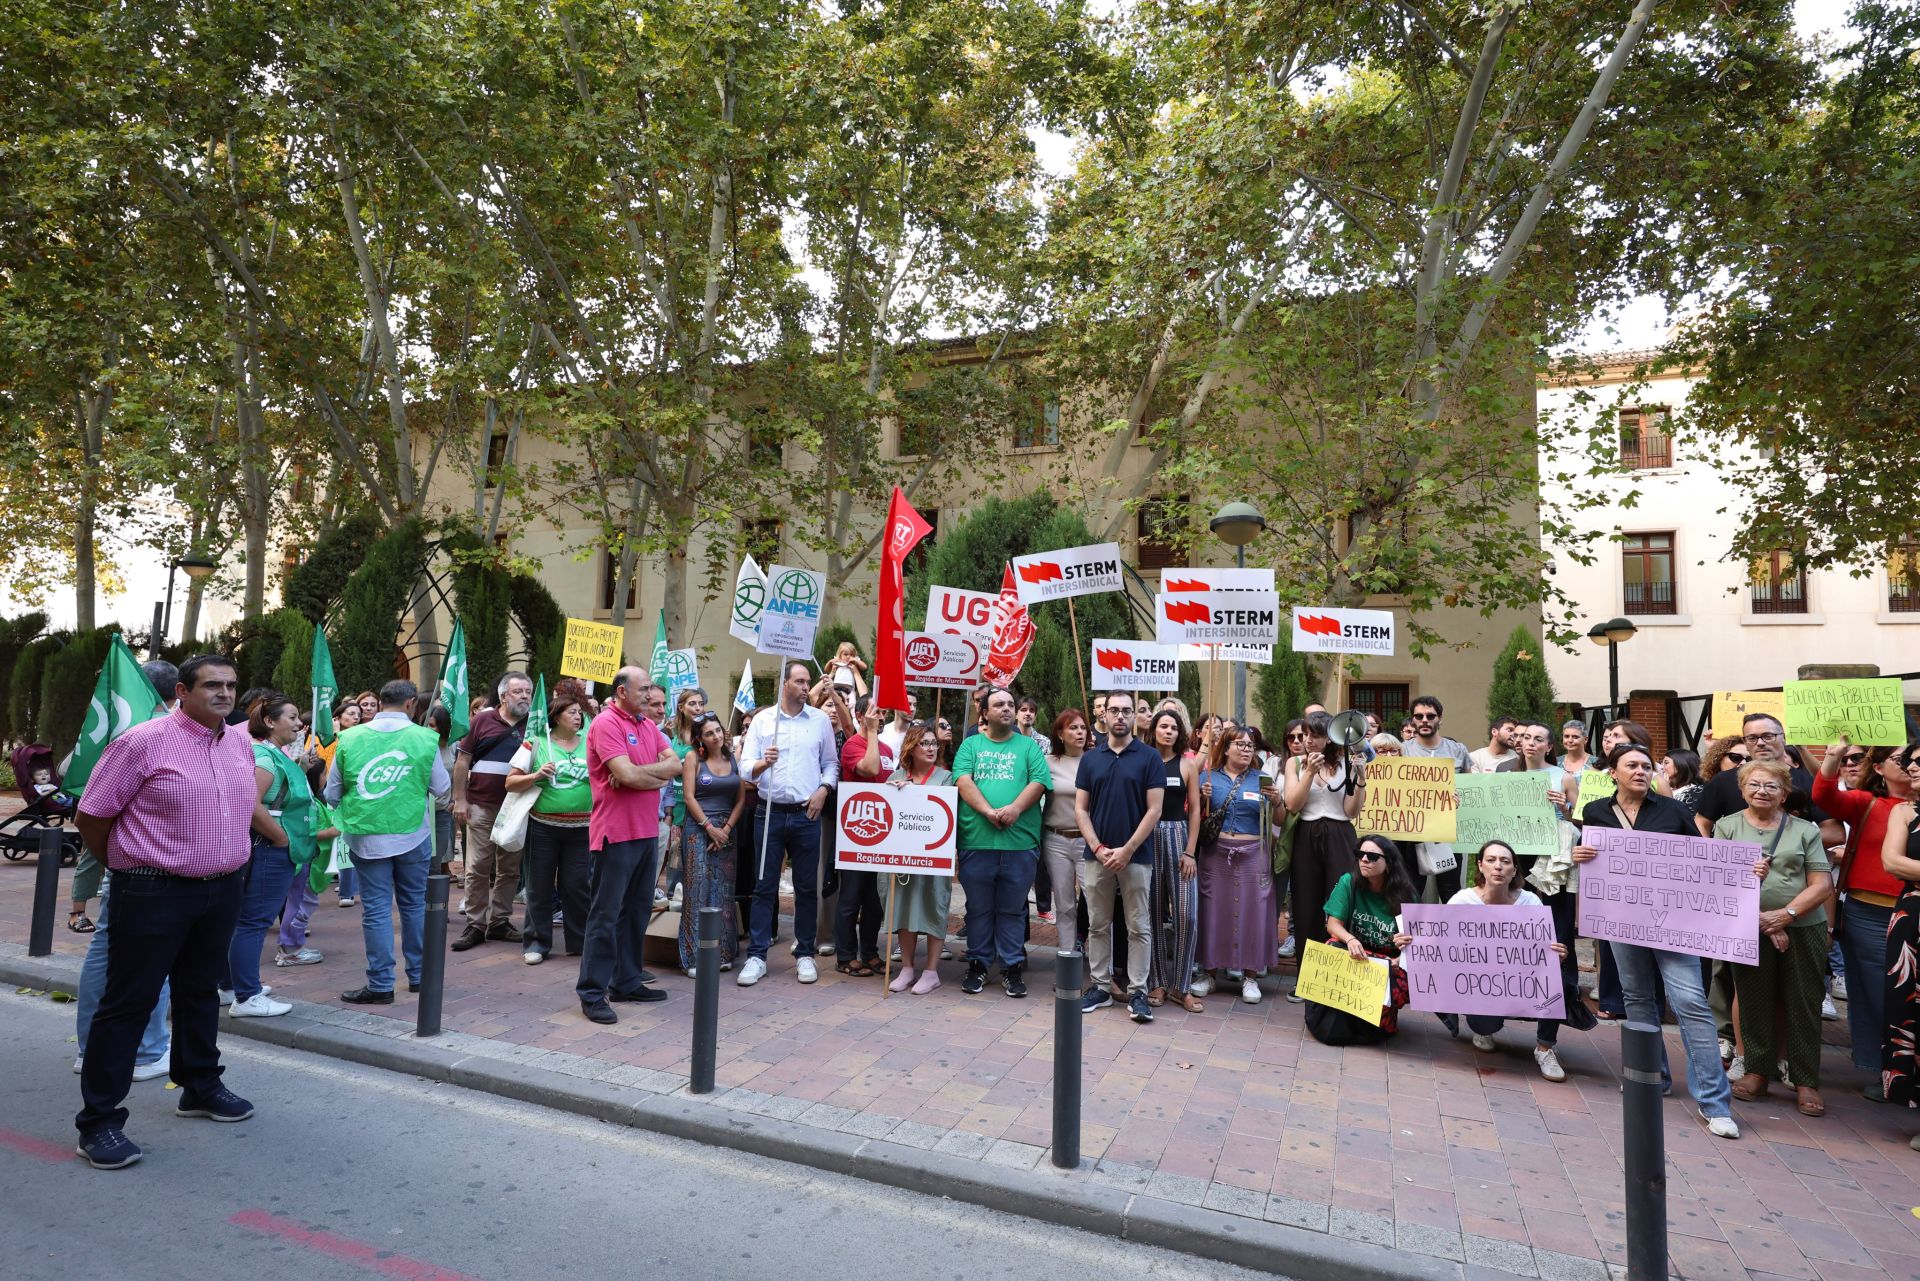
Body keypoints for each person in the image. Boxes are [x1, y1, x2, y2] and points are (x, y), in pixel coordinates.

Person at [71, 654, 258, 1169]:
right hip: (153, 889)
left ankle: (199, 1085)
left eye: (230, 685)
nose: (224, 693)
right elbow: (92, 815)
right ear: (182, 690)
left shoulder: (240, 742)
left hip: (221, 890)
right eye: (212, 685)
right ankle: (100, 1123)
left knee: (199, 993)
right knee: (129, 1002)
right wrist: (128, 868)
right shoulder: (142, 743)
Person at [1574, 742, 1747, 1139]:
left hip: (1672, 922)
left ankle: (1714, 1102)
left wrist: (1743, 868)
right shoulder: (1596, 811)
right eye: (1631, 765)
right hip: (1622, 921)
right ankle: (1653, 1076)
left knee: (1690, 1002)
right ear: (1612, 773)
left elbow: (1702, 858)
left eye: (1646, 766)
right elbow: (1596, 859)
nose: (1640, 771)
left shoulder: (1672, 810)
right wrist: (1582, 853)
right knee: (1638, 999)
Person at [1715, 757, 1832, 1115]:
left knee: (1803, 1003)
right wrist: (1762, 921)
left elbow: (1822, 883)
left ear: (1784, 793)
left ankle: (1805, 1080)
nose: (1761, 791)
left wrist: (1783, 917)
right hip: (1747, 927)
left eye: (1770, 786)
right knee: (1752, 1000)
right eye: (1753, 784)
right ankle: (1756, 1072)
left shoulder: (1804, 830)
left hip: (1801, 927)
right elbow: (1719, 882)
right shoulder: (1727, 827)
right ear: (1742, 790)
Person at [327, 680, 449, 1006]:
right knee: (413, 906)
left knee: (377, 910)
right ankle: (420, 976)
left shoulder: (349, 738)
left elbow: (331, 793)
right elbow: (442, 789)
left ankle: (381, 984)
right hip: (413, 835)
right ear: (411, 704)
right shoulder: (424, 739)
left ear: (380, 703)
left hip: (366, 836)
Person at [577, 671, 683, 1023]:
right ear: (622, 691)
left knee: (637, 912)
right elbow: (628, 775)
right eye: (643, 689)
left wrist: (639, 772)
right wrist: (646, 774)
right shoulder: (607, 724)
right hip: (614, 835)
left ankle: (626, 981)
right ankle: (592, 992)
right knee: (605, 916)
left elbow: (676, 765)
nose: (649, 694)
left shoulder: (646, 725)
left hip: (645, 833)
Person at [1814, 736, 1913, 1094]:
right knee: (1873, 991)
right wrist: (1832, 758)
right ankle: (1882, 1070)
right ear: (1880, 767)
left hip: (1912, 911)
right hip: (1868, 912)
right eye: (1901, 759)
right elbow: (1824, 798)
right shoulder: (1866, 802)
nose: (1909, 765)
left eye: (1913, 759)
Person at [739, 660, 841, 987]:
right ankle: (756, 955)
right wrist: (760, 763)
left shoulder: (820, 721)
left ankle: (806, 953)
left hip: (805, 813)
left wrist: (824, 790)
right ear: (784, 683)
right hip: (768, 811)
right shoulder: (764, 721)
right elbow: (743, 768)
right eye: (799, 681)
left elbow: (830, 764)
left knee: (806, 887)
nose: (804, 686)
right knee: (764, 884)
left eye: (807, 681)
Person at [953, 689, 1051, 997]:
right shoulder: (971, 745)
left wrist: (1015, 809)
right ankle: (979, 965)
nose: (1007, 708)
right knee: (979, 909)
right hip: (977, 841)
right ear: (984, 712)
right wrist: (987, 811)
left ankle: (1011, 967)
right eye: (999, 704)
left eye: (1011, 704)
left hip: (1020, 844)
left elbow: (1039, 781)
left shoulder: (1029, 747)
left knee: (1012, 910)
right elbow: (963, 780)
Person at [1074, 691, 1164, 1023]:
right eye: (1115, 710)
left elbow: (1154, 810)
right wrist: (1098, 847)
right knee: (1098, 925)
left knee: (1138, 925)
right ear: (1105, 716)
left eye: (1127, 710)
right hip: (1096, 855)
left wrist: (1126, 850)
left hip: (1136, 856)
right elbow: (1080, 809)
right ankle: (1099, 986)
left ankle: (1138, 991)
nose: (1121, 716)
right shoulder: (1090, 758)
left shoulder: (1149, 757)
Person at [1447, 840, 1570, 1081]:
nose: (1498, 867)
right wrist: (1411, 941)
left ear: (1514, 870)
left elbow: (1543, 950)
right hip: (1481, 984)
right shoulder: (1463, 900)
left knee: (1558, 980)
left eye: (1505, 862)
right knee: (1484, 1026)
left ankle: (1544, 1049)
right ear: (1480, 865)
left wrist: (1558, 955)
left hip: (1520, 982)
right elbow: (1438, 940)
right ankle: (1484, 1029)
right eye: (1491, 860)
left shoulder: (1530, 902)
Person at [226, 695, 314, 1018]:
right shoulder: (264, 757)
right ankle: (246, 996)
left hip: (270, 848)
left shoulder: (274, 754)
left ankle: (230, 985)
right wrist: (280, 839)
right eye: (291, 717)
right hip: (270, 850)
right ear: (270, 721)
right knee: (254, 921)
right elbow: (252, 804)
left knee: (245, 919)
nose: (298, 723)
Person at [1194, 726, 1283, 1005]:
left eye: (1250, 746)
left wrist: (1277, 800)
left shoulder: (1262, 779)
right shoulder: (1208, 777)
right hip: (1215, 853)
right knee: (1213, 910)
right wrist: (1200, 795)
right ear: (1226, 747)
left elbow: (1279, 819)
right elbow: (1194, 814)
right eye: (1240, 744)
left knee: (1254, 912)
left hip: (1254, 853)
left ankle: (1250, 976)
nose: (1246, 750)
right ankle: (1208, 974)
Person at [506, 690, 593, 965]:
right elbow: (510, 782)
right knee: (538, 886)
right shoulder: (535, 742)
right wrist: (536, 774)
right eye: (572, 712)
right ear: (555, 717)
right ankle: (536, 943)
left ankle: (579, 942)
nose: (578, 717)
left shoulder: (591, 743)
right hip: (543, 827)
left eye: (580, 713)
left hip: (582, 827)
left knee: (578, 885)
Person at [451, 672, 533, 950]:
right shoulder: (482, 720)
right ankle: (475, 924)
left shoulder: (534, 724)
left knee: (509, 869)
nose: (524, 696)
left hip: (516, 808)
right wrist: (459, 800)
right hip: (481, 805)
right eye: (518, 691)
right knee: (477, 867)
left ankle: (500, 921)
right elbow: (463, 761)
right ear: (502, 696)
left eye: (527, 691)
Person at [1306, 834, 1415, 1045]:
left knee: (1402, 983)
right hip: (1355, 955)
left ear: (1389, 863)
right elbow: (1332, 925)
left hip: (1387, 963)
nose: (1364, 859)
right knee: (1332, 947)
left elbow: (1417, 942)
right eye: (1360, 854)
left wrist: (1401, 957)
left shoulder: (1406, 893)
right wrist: (1350, 939)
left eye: (1373, 856)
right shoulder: (1349, 882)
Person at [1281, 713, 1364, 958]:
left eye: (1314, 735)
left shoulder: (1345, 762)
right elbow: (1292, 804)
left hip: (1340, 834)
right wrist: (1309, 772)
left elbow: (1351, 810)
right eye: (1305, 734)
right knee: (1306, 905)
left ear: (1329, 739)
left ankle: (1338, 971)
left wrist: (1360, 779)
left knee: (1340, 902)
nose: (1307, 740)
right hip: (1307, 834)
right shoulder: (1295, 764)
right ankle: (1307, 977)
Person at [885, 723, 955, 994]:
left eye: (933, 744)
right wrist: (896, 790)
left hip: (934, 857)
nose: (931, 748)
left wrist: (912, 789)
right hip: (903, 859)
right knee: (904, 909)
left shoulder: (946, 777)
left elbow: (943, 809)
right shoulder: (895, 775)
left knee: (933, 908)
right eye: (924, 743)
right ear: (910, 748)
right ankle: (907, 968)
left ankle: (931, 972)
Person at [678, 712, 745, 975]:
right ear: (700, 739)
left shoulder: (732, 758)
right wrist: (709, 828)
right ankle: (693, 958)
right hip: (698, 828)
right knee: (697, 891)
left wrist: (725, 829)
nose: (716, 736)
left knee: (723, 891)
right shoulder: (694, 758)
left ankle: (724, 952)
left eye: (718, 730)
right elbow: (688, 797)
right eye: (709, 733)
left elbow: (740, 799)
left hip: (727, 829)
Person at [834, 698, 896, 976]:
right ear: (860, 716)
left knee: (875, 899)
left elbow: (884, 779)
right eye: (876, 712)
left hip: (880, 831)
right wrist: (870, 732)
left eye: (883, 712)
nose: (881, 717)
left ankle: (869, 952)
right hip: (855, 832)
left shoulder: (884, 748)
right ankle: (846, 956)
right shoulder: (853, 745)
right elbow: (869, 770)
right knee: (851, 897)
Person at [1878, 745, 1920, 1149]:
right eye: (1911, 762)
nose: (1912, 767)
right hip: (1914, 919)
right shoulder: (1904, 811)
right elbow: (1893, 862)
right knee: (1911, 1008)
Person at [1145, 709, 1201, 1009]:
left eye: (1174, 728)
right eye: (1163, 726)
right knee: (1151, 912)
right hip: (1147, 838)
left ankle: (1182, 985)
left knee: (1186, 914)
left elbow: (1194, 810)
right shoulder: (1143, 759)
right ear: (1153, 729)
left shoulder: (1188, 764)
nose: (1169, 732)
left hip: (1179, 837)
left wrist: (1191, 851)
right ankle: (1156, 983)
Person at [1402, 695, 1471, 899]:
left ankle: (1452, 931)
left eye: (1430, 716)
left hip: (1447, 833)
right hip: (1412, 831)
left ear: (1440, 718)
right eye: (1419, 716)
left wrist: (1460, 799)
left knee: (1450, 890)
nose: (1424, 720)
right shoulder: (1401, 750)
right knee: (1410, 889)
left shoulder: (1458, 750)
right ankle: (1407, 932)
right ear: (1413, 720)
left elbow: (1470, 787)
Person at [1041, 709, 1089, 955]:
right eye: (1073, 728)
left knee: (1095, 903)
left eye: (1082, 728)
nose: (1079, 732)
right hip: (1056, 839)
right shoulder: (1047, 762)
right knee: (1064, 903)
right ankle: (1067, 960)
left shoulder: (1094, 760)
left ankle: (1103, 970)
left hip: (1089, 842)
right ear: (1060, 734)